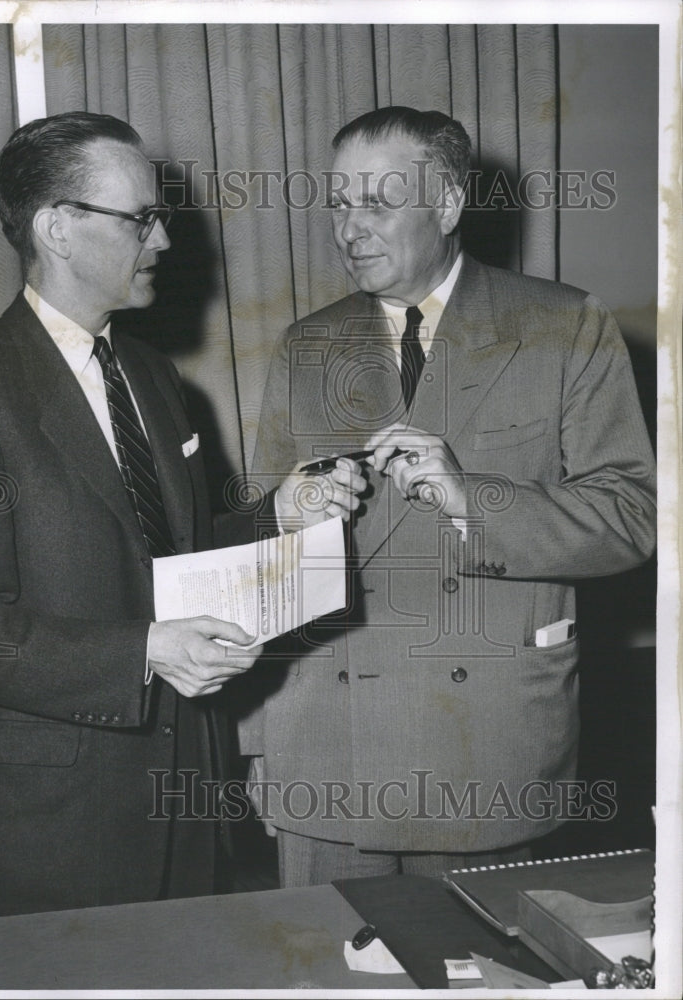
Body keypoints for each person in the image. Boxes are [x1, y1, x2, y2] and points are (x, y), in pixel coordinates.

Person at [0, 112, 365, 919]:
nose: (163, 242)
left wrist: (279, 517)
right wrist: (147, 651)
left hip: (182, 805)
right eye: (140, 219)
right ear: (58, 229)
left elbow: (167, 560)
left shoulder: (149, 376)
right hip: (50, 836)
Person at [238, 106, 656, 886]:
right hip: (328, 745)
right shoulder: (306, 344)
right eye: (337, 203)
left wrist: (472, 500)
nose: (348, 228)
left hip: (479, 741)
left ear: (448, 205)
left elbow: (633, 516)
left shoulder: (564, 324)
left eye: (376, 203)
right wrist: (262, 746)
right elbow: (268, 560)